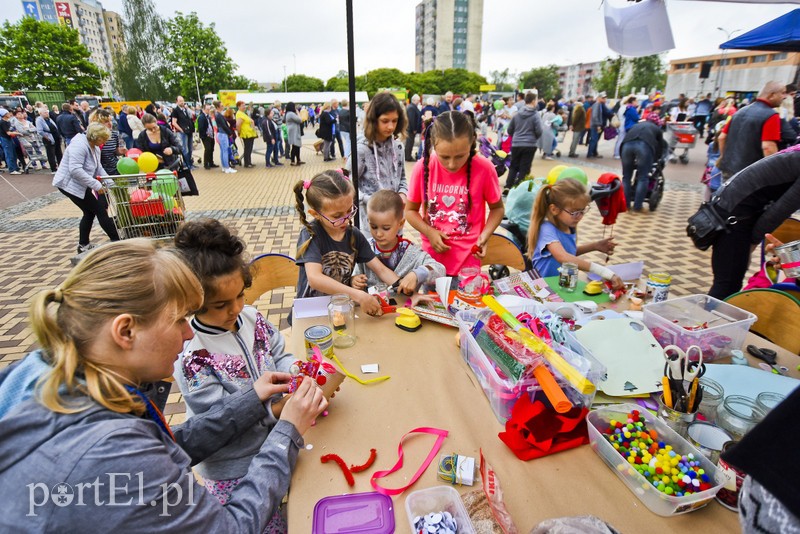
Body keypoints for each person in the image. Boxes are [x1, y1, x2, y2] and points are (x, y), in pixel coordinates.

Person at [0, 240, 326, 531]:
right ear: (125, 331)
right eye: (179, 319)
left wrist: (252, 398)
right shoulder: (112, 452)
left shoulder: (65, 385)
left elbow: (172, 445)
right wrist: (286, 432)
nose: (188, 334)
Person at [172, 220, 297, 529]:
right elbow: (218, 420)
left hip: (274, 447)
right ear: (192, 301)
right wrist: (281, 410)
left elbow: (280, 352)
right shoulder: (191, 353)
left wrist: (296, 374)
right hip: (234, 469)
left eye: (241, 295)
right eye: (220, 304)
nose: (236, 309)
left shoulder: (252, 317)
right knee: (265, 525)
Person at [405, 111, 505, 277]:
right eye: (444, 157)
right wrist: (429, 232)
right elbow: (409, 211)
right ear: (433, 145)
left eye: (460, 156)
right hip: (431, 263)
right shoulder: (423, 167)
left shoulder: (485, 168)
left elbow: (498, 209)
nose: (452, 164)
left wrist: (485, 236)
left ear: (472, 143)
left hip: (468, 263)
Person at [293, 170, 400, 317]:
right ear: (316, 214)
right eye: (337, 216)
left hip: (341, 310)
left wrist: (403, 288)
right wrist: (358, 295)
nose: (345, 219)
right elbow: (315, 279)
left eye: (349, 210)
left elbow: (380, 269)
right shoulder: (310, 235)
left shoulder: (354, 235)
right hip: (311, 312)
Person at [707, 145, 800, 300]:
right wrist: (752, 242)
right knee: (727, 284)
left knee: (727, 282)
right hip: (735, 216)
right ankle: (706, 323)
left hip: (730, 207)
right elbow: (778, 212)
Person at [526, 178, 623, 289]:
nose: (580, 216)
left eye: (582, 211)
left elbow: (569, 252)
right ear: (554, 209)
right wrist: (605, 272)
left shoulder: (568, 227)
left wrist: (595, 246)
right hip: (544, 289)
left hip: (562, 286)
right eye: (575, 212)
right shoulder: (547, 229)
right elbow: (563, 257)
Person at [352, 189, 445, 293]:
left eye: (386, 228)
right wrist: (354, 280)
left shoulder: (411, 252)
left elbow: (439, 269)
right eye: (373, 227)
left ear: (400, 224)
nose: (378, 233)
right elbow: (354, 273)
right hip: (372, 307)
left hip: (405, 308)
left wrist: (417, 274)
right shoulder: (365, 247)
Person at [52, 123, 120, 253]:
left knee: (89, 212)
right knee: (100, 210)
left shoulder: (95, 147)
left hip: (81, 184)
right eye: (103, 139)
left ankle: (83, 245)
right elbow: (75, 170)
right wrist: (96, 185)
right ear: (96, 138)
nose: (105, 142)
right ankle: (116, 241)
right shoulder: (79, 145)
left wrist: (110, 183)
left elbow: (98, 167)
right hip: (68, 185)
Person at [345, 92, 408, 232]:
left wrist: (403, 194)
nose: (391, 126)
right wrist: (369, 200)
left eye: (395, 121)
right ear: (374, 120)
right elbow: (347, 182)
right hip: (370, 225)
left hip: (394, 221)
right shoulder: (361, 150)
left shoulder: (398, 147)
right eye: (385, 121)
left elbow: (402, 177)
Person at [717, 81, 786, 180]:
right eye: (782, 93)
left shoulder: (739, 112)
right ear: (772, 95)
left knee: (724, 194)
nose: (784, 97)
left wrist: (723, 157)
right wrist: (773, 172)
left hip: (728, 168)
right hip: (750, 173)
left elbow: (722, 137)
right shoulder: (771, 116)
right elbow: (768, 147)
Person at [619, 119, 665, 211]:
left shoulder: (635, 126)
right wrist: (656, 159)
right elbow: (660, 147)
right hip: (644, 146)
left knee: (626, 177)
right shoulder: (656, 129)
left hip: (626, 146)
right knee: (643, 177)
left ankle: (626, 205)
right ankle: (638, 206)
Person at [504, 92, 543, 193]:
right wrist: (533, 137)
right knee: (524, 168)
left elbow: (509, 130)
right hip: (530, 144)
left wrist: (516, 135)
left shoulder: (517, 115)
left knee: (513, 166)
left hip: (516, 143)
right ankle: (519, 188)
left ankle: (508, 186)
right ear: (534, 101)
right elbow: (539, 130)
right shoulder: (535, 115)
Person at [89, 108, 124, 176]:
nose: (110, 124)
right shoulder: (92, 137)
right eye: (106, 122)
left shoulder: (114, 134)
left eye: (110, 121)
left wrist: (120, 151)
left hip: (114, 170)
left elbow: (115, 152)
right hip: (99, 173)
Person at [172, 96, 196, 169]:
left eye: (182, 100)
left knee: (190, 148)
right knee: (185, 149)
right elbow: (174, 122)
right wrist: (181, 129)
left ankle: (190, 163)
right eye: (180, 101)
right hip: (182, 132)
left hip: (189, 131)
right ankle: (186, 164)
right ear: (177, 102)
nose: (182, 102)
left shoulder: (185, 109)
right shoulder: (175, 111)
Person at [36, 107, 62, 172]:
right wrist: (47, 137)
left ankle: (61, 166)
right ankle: (53, 169)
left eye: (47, 112)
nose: (47, 113)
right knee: (51, 154)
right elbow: (40, 131)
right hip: (48, 138)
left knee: (59, 153)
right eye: (45, 112)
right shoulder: (39, 120)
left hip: (56, 137)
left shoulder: (49, 119)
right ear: (40, 113)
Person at [213, 101, 236, 174]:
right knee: (225, 150)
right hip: (223, 134)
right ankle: (227, 167)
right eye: (221, 106)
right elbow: (224, 125)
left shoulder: (218, 114)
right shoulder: (218, 115)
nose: (223, 107)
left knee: (223, 151)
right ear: (218, 107)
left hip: (220, 133)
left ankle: (224, 166)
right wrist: (229, 133)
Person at [234, 100, 257, 168]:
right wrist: (239, 132)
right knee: (247, 149)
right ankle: (247, 163)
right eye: (243, 106)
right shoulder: (239, 114)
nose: (244, 107)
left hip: (250, 134)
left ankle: (249, 162)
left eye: (244, 105)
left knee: (249, 149)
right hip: (246, 134)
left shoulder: (243, 113)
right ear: (238, 107)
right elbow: (238, 124)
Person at [587, 92, 610, 158]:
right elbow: (595, 116)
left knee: (595, 139)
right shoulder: (597, 105)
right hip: (595, 125)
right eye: (603, 98)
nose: (605, 100)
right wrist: (598, 125)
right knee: (594, 139)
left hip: (595, 125)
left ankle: (593, 153)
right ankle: (590, 153)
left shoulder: (598, 104)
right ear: (599, 98)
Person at [0, 108, 22, 174]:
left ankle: (16, 168)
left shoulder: (7, 121)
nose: (9, 114)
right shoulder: (3, 122)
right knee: (9, 154)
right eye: (7, 113)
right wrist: (17, 133)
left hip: (9, 139)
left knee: (13, 154)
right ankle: (12, 169)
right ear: (4, 114)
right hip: (5, 139)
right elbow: (8, 133)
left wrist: (15, 131)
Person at [197, 104, 218, 169]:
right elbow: (201, 127)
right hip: (205, 136)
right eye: (207, 109)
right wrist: (206, 134)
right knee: (208, 149)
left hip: (211, 135)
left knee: (211, 148)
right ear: (204, 109)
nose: (208, 110)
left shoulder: (209, 116)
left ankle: (211, 162)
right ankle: (206, 164)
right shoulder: (201, 117)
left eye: (209, 109)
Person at [284, 102, 304, 166]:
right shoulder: (291, 114)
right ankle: (292, 161)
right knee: (295, 146)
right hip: (293, 132)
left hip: (294, 132)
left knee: (297, 146)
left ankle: (298, 159)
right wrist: (298, 113)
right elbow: (300, 120)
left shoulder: (289, 113)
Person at [405, 95, 422, 162]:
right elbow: (411, 119)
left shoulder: (412, 107)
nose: (419, 101)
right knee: (409, 143)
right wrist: (414, 129)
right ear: (414, 100)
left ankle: (407, 156)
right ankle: (408, 157)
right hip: (411, 129)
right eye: (418, 100)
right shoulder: (412, 108)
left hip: (411, 129)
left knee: (410, 143)